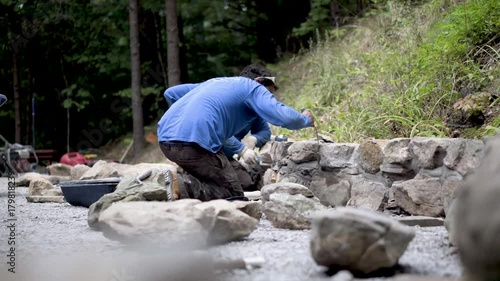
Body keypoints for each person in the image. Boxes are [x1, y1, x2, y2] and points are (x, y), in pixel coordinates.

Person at [157, 64, 314, 201]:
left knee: (221, 183)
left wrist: (185, 123)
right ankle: (182, 185)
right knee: (233, 195)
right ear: (259, 81)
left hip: (166, 139)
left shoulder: (217, 83)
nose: (269, 98)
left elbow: (172, 93)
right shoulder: (252, 88)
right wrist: (305, 120)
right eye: (268, 93)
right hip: (195, 143)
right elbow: (283, 116)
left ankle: (181, 184)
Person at [162, 65, 273, 191]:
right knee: (231, 190)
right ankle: (182, 185)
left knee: (246, 183)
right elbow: (171, 93)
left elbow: (265, 131)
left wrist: (254, 139)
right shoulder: (218, 90)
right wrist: (187, 120)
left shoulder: (255, 107)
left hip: (225, 156)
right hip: (202, 150)